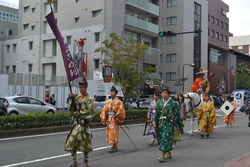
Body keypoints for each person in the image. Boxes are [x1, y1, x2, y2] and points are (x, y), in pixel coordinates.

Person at [64, 78, 94, 167]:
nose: (80, 89)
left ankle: (86, 162)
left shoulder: (90, 99)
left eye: (82, 87)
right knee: (72, 141)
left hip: (84, 124)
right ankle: (74, 161)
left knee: (85, 143)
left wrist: (80, 113)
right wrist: (71, 98)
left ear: (86, 87)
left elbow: (90, 112)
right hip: (76, 124)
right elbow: (72, 107)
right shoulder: (77, 97)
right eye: (79, 87)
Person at [154, 89, 182, 162]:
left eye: (165, 93)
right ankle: (168, 152)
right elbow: (156, 113)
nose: (163, 94)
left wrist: (176, 125)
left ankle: (162, 154)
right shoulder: (160, 102)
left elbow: (177, 114)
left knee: (165, 137)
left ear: (168, 94)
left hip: (169, 122)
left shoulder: (173, 103)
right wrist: (155, 122)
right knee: (160, 137)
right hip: (160, 122)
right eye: (162, 93)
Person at [100, 86, 126, 153]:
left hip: (115, 118)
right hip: (109, 118)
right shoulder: (108, 101)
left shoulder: (119, 102)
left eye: (113, 92)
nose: (111, 93)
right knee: (109, 132)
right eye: (111, 92)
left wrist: (118, 117)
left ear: (116, 93)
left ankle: (114, 145)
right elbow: (104, 110)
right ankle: (112, 145)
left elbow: (121, 111)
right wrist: (103, 118)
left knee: (114, 132)